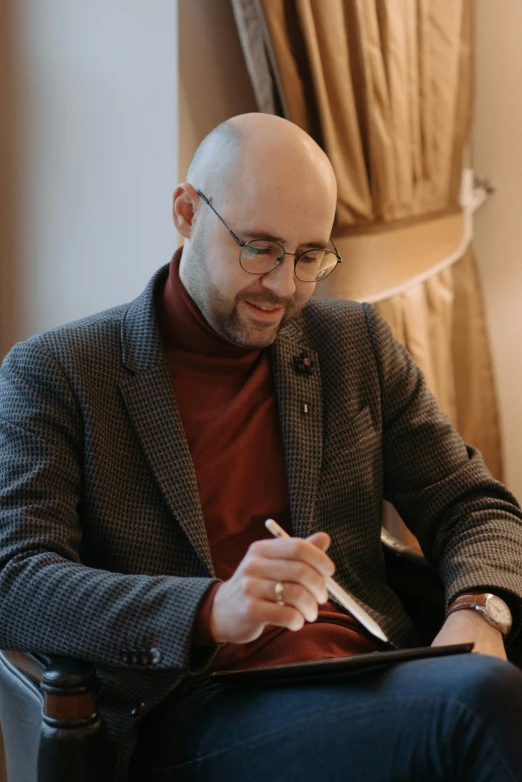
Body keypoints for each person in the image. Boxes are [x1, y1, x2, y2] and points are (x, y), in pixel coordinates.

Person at [1, 113, 522, 782]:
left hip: (377, 672)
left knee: (482, 694)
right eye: (260, 248)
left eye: (310, 256)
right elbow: (15, 580)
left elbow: (472, 503)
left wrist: (479, 611)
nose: (284, 286)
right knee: (479, 708)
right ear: (187, 213)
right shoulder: (61, 371)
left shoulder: (352, 344)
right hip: (197, 707)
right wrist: (211, 609)